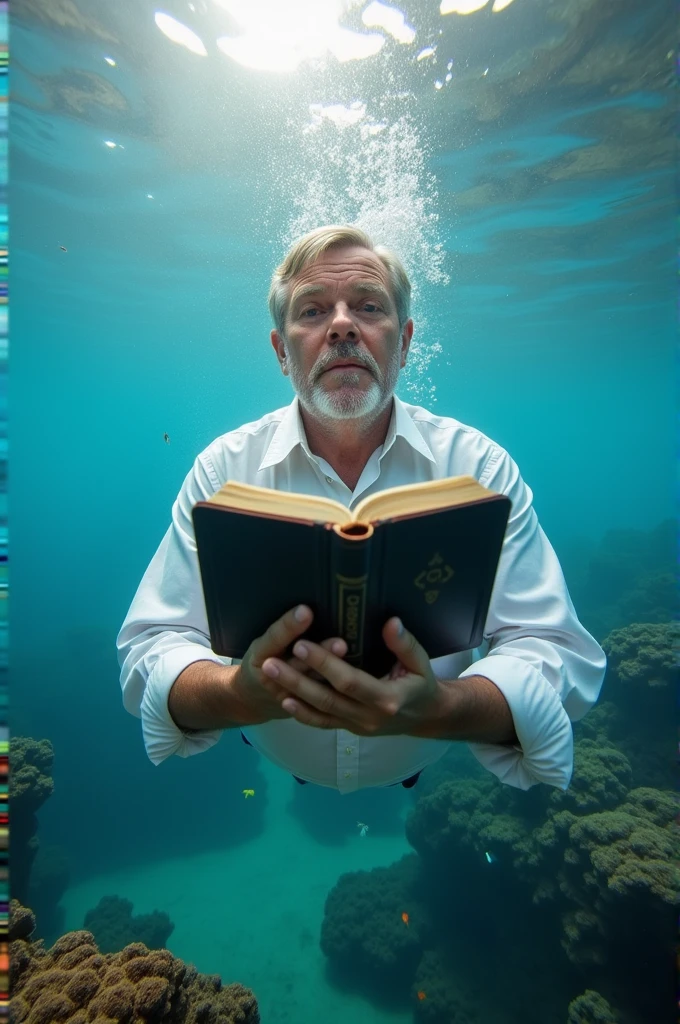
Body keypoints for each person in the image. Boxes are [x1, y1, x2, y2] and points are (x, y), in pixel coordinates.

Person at [117, 225, 606, 794]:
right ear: (281, 351)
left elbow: (554, 648)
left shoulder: (480, 468)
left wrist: (441, 708)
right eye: (313, 310)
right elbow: (150, 647)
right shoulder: (221, 471)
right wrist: (237, 694)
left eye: (369, 307)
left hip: (419, 755)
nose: (343, 325)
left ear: (405, 342)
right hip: (280, 749)